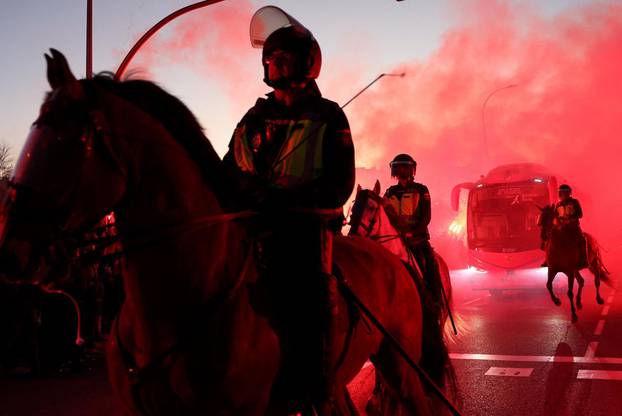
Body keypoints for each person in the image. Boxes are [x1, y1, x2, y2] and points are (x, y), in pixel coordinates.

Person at [223, 15, 355, 414]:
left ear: (306, 62)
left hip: (303, 232)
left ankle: (316, 390)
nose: (273, 64)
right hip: (250, 228)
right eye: (270, 58)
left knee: (313, 298)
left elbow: (339, 185)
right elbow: (227, 168)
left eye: (283, 57)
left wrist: (285, 202)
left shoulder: (329, 117)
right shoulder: (252, 118)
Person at [383, 154, 440, 305]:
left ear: (410, 169)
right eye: (398, 167)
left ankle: (435, 300)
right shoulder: (389, 193)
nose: (400, 170)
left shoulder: (421, 190)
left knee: (430, 263)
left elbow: (426, 217)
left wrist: (413, 232)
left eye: (403, 167)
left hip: (417, 239)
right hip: (396, 240)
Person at [555, 184, 588, 268]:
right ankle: (551, 259)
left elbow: (580, 214)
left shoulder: (574, 202)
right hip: (562, 228)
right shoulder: (558, 204)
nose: (564, 194)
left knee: (581, 240)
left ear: (569, 193)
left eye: (565, 193)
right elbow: (555, 216)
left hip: (573, 227)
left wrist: (570, 219)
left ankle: (584, 260)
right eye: (562, 193)